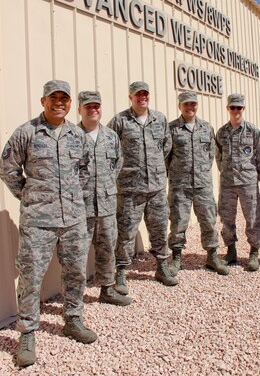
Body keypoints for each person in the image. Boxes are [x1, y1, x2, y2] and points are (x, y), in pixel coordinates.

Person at [0, 80, 97, 368]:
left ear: (70, 103)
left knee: (76, 272)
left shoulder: (76, 136)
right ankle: (28, 333)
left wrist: (71, 198)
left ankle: (73, 318)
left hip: (73, 220)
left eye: (64, 98)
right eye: (53, 97)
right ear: (43, 101)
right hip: (38, 221)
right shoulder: (26, 133)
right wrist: (29, 196)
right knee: (30, 277)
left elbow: (85, 170)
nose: (59, 102)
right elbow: (7, 169)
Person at [108, 81, 178, 293]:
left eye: (145, 94)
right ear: (131, 97)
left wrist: (154, 168)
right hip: (130, 189)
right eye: (138, 94)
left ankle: (162, 267)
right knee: (126, 231)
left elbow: (166, 146)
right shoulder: (120, 121)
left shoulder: (160, 119)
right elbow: (111, 150)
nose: (142, 97)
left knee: (159, 228)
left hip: (156, 187)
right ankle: (120, 273)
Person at [78, 91, 132, 306]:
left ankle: (107, 289)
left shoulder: (111, 136)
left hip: (107, 204)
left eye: (96, 106)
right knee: (75, 254)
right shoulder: (72, 136)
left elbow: (117, 165)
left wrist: (106, 187)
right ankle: (73, 299)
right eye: (88, 106)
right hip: (80, 207)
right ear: (79, 109)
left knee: (108, 247)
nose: (93, 110)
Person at [166, 91, 229, 276]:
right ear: (180, 106)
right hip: (180, 186)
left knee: (209, 220)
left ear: (197, 105)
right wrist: (178, 175)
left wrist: (200, 172)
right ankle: (177, 257)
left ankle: (212, 256)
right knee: (178, 222)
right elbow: (166, 157)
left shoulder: (207, 128)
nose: (190, 107)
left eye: (193, 104)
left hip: (203, 185)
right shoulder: (171, 129)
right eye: (186, 104)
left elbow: (211, 155)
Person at [215, 93, 260, 271]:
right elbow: (218, 156)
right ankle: (231, 251)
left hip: (248, 183)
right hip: (228, 183)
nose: (236, 110)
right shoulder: (221, 132)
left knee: (252, 218)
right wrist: (226, 172)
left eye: (239, 107)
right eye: (232, 107)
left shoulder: (253, 131)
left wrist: (254, 176)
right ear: (227, 108)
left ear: (243, 108)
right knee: (227, 218)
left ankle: (254, 252)